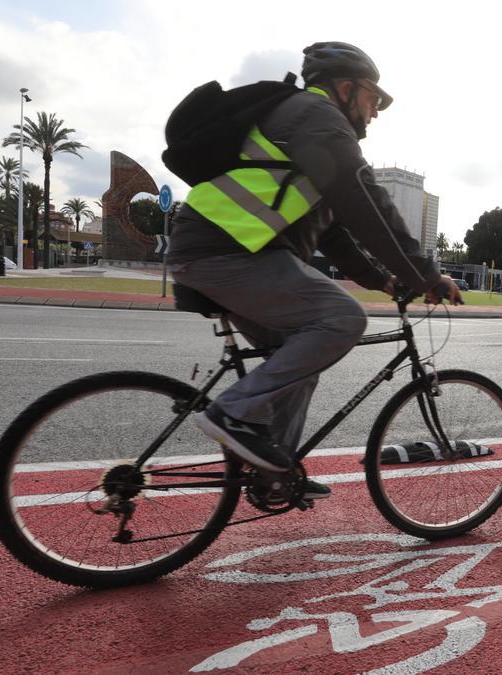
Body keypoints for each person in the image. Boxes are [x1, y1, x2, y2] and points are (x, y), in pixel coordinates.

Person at [165, 41, 461, 499]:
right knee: (342, 318)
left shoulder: (305, 131)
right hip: (225, 249)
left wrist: (382, 278)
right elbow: (368, 202)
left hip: (227, 249)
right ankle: (234, 413)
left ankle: (273, 475)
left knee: (300, 358)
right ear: (346, 89)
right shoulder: (316, 118)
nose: (376, 111)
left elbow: (333, 231)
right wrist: (426, 274)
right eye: (373, 98)